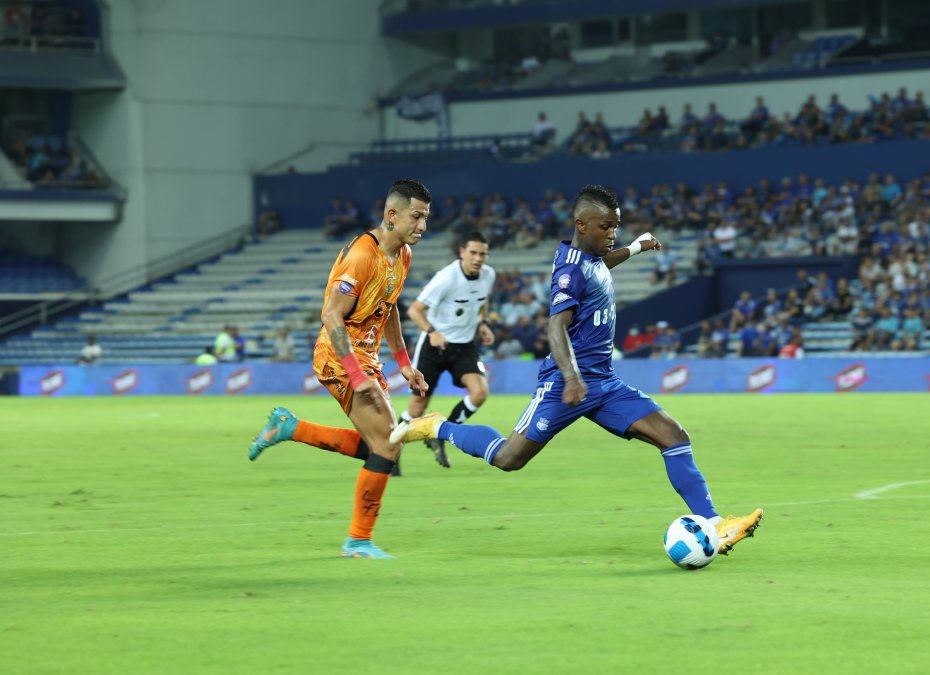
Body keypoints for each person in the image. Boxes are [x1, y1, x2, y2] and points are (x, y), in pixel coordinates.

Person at [391, 185, 763, 556]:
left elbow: (600, 266)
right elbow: (555, 326)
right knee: (508, 458)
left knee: (674, 436)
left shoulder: (589, 259)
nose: (612, 234)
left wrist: (636, 247)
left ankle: (716, 524)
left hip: (604, 383)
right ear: (582, 225)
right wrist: (571, 378)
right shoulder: (569, 270)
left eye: (616, 227)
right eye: (606, 227)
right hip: (565, 384)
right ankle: (438, 426)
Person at [246, 179, 433, 559]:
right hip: (339, 355)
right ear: (392, 214)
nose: (423, 226)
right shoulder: (362, 255)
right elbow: (331, 314)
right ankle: (357, 541)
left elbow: (389, 308)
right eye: (416, 217)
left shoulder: (403, 256)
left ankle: (290, 427)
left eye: (426, 217)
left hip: (366, 357)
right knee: (388, 443)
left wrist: (404, 364)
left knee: (384, 445)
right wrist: (356, 373)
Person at [397, 231, 497, 475]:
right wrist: (432, 331)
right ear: (462, 252)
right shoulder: (446, 278)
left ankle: (440, 433)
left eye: (482, 254)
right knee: (417, 407)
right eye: (473, 253)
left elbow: (482, 301)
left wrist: (482, 323)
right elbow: (414, 310)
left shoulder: (488, 275)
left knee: (480, 392)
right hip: (434, 346)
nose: (478, 258)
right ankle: (389, 455)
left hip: (464, 347)